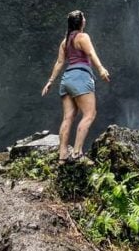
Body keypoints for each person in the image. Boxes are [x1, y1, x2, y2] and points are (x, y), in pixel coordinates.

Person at [41, 10, 111, 162]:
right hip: (80, 77)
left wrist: (51, 81)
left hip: (66, 79)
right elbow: (91, 54)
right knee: (89, 114)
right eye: (84, 17)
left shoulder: (64, 42)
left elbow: (60, 62)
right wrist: (101, 69)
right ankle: (77, 152)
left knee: (68, 117)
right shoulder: (83, 37)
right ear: (80, 22)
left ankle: (62, 156)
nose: (85, 20)